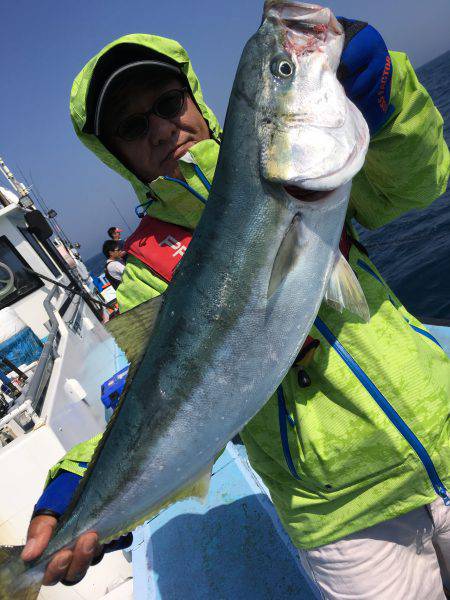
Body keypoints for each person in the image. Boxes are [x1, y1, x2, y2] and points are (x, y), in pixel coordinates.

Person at [22, 21, 450, 597]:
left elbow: (420, 183)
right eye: (131, 125)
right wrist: (76, 488)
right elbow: (148, 403)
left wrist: (387, 96)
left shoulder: (307, 171)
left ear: (195, 100)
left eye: (168, 102)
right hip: (340, 518)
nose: (160, 127)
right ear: (116, 153)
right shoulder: (145, 273)